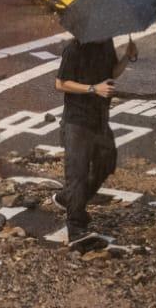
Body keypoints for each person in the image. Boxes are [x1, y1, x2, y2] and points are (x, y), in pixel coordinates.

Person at [53, 36, 133, 250]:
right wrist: (93, 89)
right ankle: (76, 228)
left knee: (106, 161)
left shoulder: (106, 43)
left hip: (99, 117)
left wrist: (126, 57)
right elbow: (60, 83)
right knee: (77, 173)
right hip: (76, 121)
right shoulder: (74, 48)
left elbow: (111, 73)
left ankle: (68, 199)